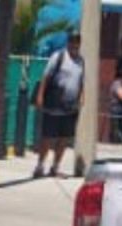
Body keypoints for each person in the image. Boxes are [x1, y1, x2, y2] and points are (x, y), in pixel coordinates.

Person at [33, 31, 84, 179]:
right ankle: (39, 166)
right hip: (54, 102)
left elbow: (81, 80)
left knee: (64, 138)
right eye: (72, 41)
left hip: (70, 105)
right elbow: (46, 77)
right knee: (48, 137)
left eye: (77, 42)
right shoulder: (59, 57)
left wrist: (82, 96)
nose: (74, 44)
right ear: (68, 42)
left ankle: (55, 167)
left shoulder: (81, 61)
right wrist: (40, 95)